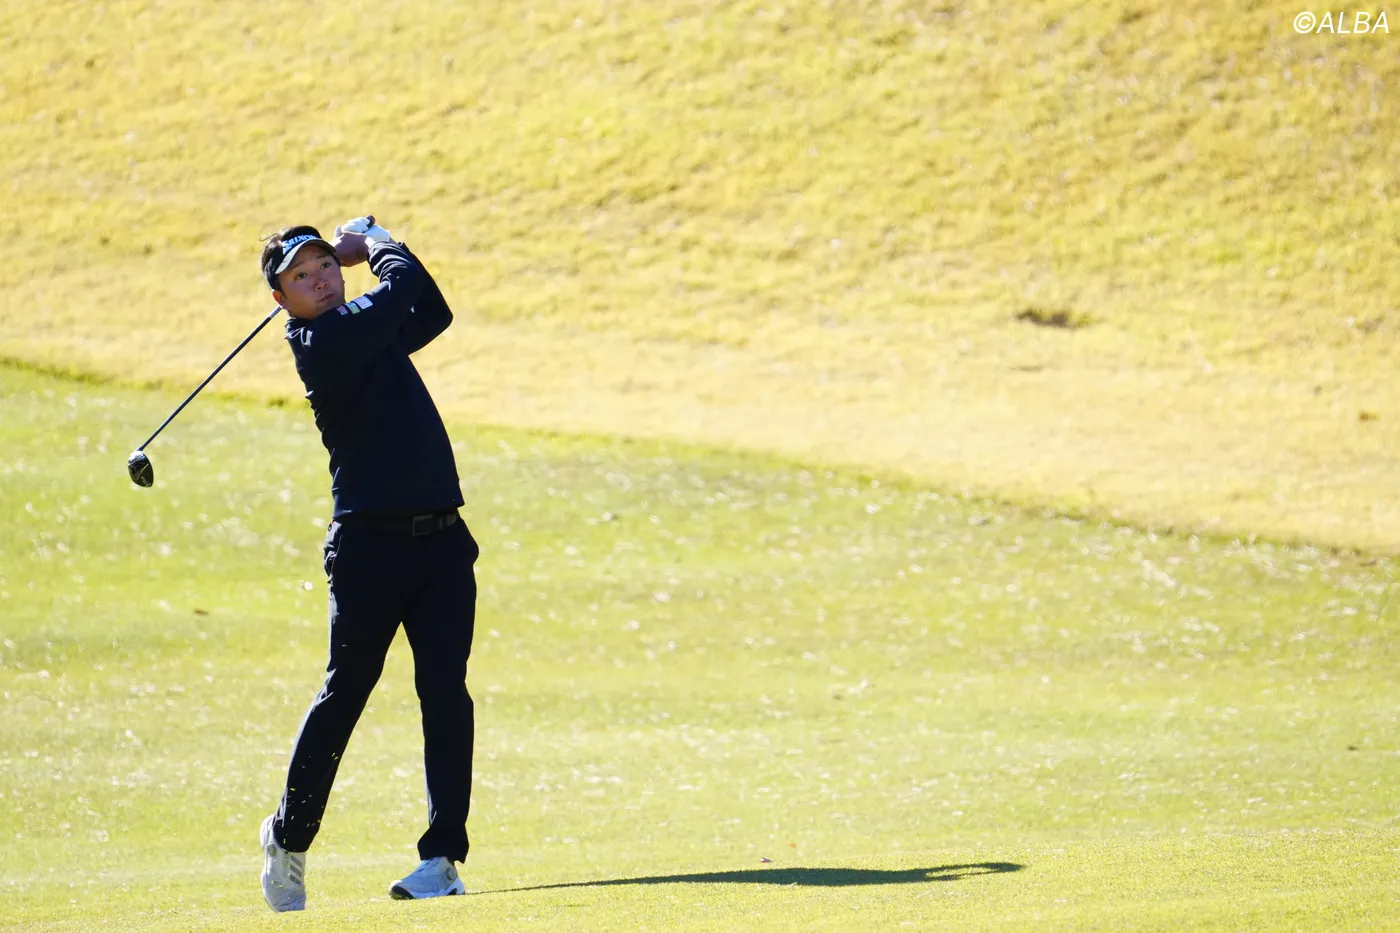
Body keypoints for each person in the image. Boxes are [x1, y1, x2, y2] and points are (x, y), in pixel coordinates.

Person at [255, 217, 479, 911]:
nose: (320, 280)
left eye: (325, 265)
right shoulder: (322, 342)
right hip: (368, 550)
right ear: (282, 301)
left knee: (445, 692)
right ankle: (289, 839)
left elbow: (431, 308)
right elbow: (400, 285)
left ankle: (442, 857)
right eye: (301, 276)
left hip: (441, 542)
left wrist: (387, 250)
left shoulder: (367, 330)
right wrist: (376, 238)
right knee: (346, 693)